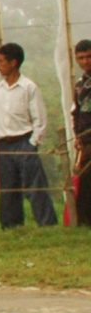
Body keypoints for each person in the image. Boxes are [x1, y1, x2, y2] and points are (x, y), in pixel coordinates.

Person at [0, 42, 56, 228]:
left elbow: (39, 120)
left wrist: (32, 143)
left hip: (24, 141)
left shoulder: (28, 88)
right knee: (8, 187)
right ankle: (11, 226)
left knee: (35, 186)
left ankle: (47, 223)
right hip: (3, 144)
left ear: (13, 63)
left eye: (1, 61)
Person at [72, 39, 91, 228]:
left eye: (89, 57)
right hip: (86, 140)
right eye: (81, 58)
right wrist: (77, 136)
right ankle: (85, 222)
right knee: (85, 181)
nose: (85, 62)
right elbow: (76, 112)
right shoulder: (79, 85)